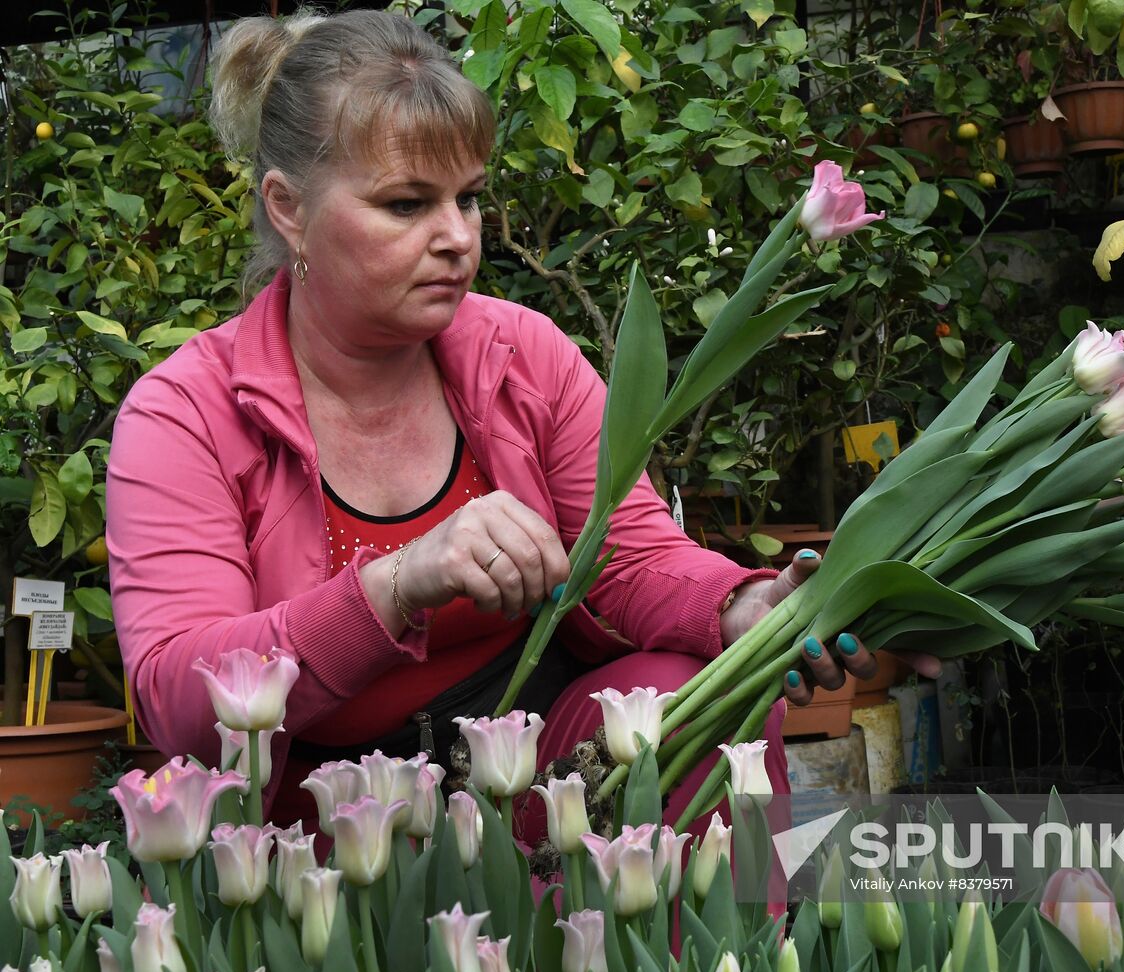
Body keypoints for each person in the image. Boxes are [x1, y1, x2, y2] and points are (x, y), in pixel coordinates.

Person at [105, 8, 903, 841]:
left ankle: (716, 966)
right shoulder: (188, 412)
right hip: (323, 821)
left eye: (469, 198)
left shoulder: (521, 355)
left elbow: (629, 554)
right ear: (289, 209)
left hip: (539, 766)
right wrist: (397, 582)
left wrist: (742, 607)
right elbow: (179, 698)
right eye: (407, 203)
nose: (457, 237)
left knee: (681, 699)